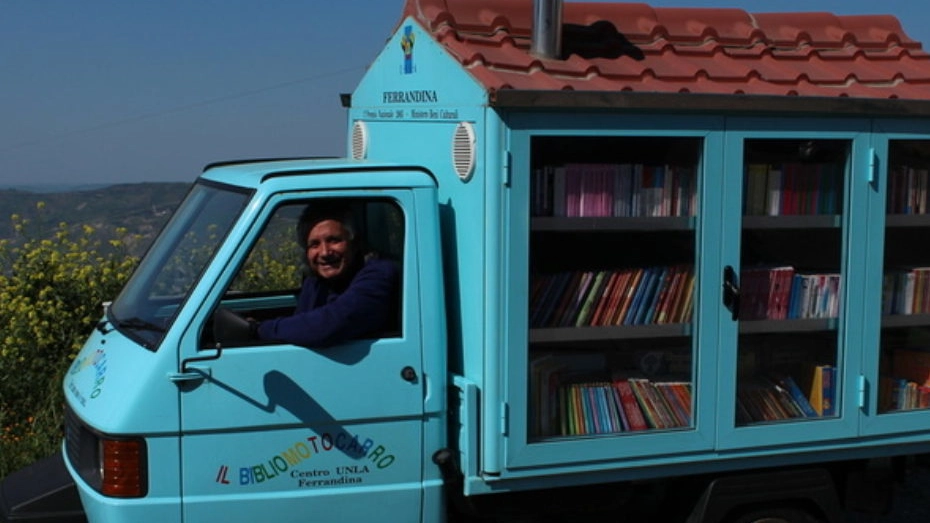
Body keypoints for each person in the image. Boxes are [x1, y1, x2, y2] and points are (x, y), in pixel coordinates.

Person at [253, 201, 399, 347]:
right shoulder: (317, 280)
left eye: (334, 240)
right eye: (314, 244)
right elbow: (303, 324)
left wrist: (258, 330)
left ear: (354, 244)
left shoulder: (378, 275)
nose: (324, 253)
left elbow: (329, 325)